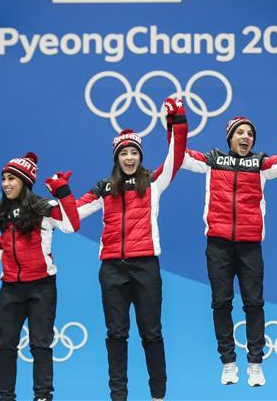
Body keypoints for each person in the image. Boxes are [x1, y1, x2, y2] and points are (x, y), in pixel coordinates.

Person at [63, 97, 187, 401]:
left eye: (134, 152)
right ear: (116, 157)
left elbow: (177, 155)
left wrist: (178, 120)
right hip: (112, 270)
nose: (129, 158)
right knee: (116, 335)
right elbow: (70, 221)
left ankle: (158, 395)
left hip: (145, 266)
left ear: (140, 156)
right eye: (124, 153)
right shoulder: (104, 188)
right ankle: (118, 396)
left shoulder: (154, 181)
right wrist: (62, 193)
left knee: (151, 333)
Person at [181, 105, 277, 386]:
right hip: (218, 245)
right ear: (229, 138)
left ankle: (254, 364)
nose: (246, 137)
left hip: (250, 246)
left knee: (254, 304)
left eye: (250, 134)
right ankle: (228, 363)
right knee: (221, 303)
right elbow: (179, 157)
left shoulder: (261, 163)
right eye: (240, 132)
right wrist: (175, 124)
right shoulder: (213, 161)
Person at [0, 152, 80, 401]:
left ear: (24, 181)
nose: (5, 183)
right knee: (5, 346)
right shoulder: (4, 211)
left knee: (40, 345)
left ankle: (43, 396)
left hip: (41, 287)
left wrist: (63, 191)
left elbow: (72, 225)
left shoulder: (44, 207)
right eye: (3, 178)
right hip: (10, 287)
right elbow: (6, 247)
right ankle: (5, 397)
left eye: (11, 178)